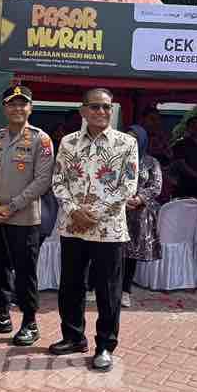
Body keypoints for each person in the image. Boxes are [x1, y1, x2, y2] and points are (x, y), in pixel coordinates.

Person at [50, 88, 138, 372]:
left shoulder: (126, 143)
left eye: (106, 107)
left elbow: (128, 186)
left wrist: (94, 215)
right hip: (73, 226)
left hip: (108, 230)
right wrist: (74, 210)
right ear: (83, 111)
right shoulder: (68, 142)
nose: (102, 112)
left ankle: (105, 346)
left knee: (108, 290)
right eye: (95, 106)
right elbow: (58, 181)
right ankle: (73, 337)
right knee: (71, 286)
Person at [0, 86, 53, 345]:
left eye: (23, 103)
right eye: (12, 103)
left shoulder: (41, 139)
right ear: (4, 108)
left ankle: (30, 323)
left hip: (24, 218)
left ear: (31, 108)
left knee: (25, 271)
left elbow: (42, 180)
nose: (17, 108)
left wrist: (13, 206)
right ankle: (1, 316)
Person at [123, 125, 163, 308]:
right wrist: (122, 199)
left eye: (135, 138)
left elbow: (156, 186)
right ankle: (95, 287)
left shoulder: (150, 162)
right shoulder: (117, 158)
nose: (130, 141)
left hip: (138, 214)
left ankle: (125, 291)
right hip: (118, 211)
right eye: (127, 137)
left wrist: (139, 198)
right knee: (111, 252)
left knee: (130, 254)